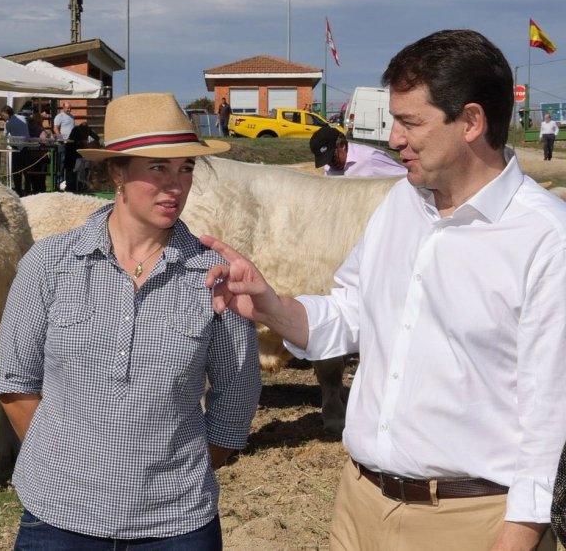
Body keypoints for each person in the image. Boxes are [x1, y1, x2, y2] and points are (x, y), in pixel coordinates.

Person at [204, 30, 566, 551]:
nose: (393, 138)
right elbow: (351, 312)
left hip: (470, 524)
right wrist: (271, 305)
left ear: (471, 122)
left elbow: (549, 411)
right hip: (359, 505)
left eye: (410, 122)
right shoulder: (401, 205)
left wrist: (518, 537)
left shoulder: (547, 239)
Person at [0, 92, 261, 550]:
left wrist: (174, 472)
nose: (176, 186)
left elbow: (236, 394)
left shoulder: (212, 275)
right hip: (58, 521)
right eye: (158, 168)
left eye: (186, 169)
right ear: (117, 172)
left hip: (177, 526)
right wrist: (66, 464)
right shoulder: (51, 263)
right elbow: (15, 379)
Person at [309, 125, 407, 177]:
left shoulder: (370, 158)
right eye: (326, 161)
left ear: (342, 145)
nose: (330, 164)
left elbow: (403, 178)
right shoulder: (329, 168)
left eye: (332, 158)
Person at [62, 120, 102, 192]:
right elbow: (85, 143)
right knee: (73, 172)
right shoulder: (78, 132)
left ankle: (77, 186)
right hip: (72, 156)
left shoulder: (81, 130)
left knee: (77, 171)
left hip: (75, 156)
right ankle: (74, 186)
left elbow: (96, 138)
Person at [3, 106, 31, 195]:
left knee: (16, 171)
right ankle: (27, 190)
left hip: (16, 148)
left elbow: (5, 135)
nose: (3, 116)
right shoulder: (22, 118)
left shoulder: (8, 123)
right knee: (27, 171)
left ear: (7, 113)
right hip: (26, 146)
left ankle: (18, 191)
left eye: (3, 114)